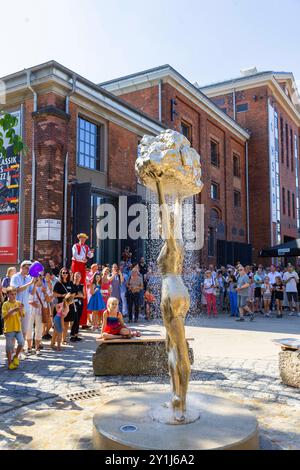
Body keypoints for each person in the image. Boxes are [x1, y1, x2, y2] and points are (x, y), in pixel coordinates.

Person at [10, 261, 35, 344]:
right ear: (22, 267)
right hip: (15, 308)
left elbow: (32, 292)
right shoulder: (15, 277)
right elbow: (16, 290)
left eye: (29, 268)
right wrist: (30, 283)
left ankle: (20, 350)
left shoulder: (28, 278)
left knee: (24, 331)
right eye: (27, 268)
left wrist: (34, 283)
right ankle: (13, 352)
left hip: (26, 308)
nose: (29, 270)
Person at [27, 275, 51, 355]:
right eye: (36, 278)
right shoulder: (30, 286)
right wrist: (31, 303)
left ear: (41, 279)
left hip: (41, 311)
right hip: (30, 311)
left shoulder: (45, 287)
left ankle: (37, 348)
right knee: (29, 329)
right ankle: (29, 348)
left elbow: (49, 300)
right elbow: (26, 299)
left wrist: (45, 293)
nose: (37, 280)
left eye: (39, 278)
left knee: (39, 330)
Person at [2, 287, 25, 369]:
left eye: (15, 294)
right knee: (9, 347)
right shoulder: (5, 304)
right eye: (12, 294)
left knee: (22, 343)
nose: (14, 296)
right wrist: (13, 310)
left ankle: (15, 356)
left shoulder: (19, 303)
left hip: (18, 328)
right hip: (9, 328)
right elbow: (4, 317)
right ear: (8, 295)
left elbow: (22, 315)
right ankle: (9, 363)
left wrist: (21, 310)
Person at [53, 268, 75, 344]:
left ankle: (64, 339)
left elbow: (73, 293)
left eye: (66, 273)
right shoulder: (58, 283)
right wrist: (62, 295)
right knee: (59, 323)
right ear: (61, 274)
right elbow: (54, 294)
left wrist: (70, 297)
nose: (65, 274)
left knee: (66, 323)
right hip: (61, 305)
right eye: (63, 273)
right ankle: (55, 340)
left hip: (69, 305)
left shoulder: (70, 283)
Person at [70, 271, 85, 342]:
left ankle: (76, 335)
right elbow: (70, 296)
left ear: (81, 277)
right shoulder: (72, 285)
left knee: (78, 319)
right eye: (76, 276)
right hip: (73, 304)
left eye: (78, 276)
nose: (77, 278)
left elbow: (84, 296)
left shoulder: (82, 285)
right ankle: (72, 335)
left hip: (80, 303)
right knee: (74, 319)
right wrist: (77, 295)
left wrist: (81, 296)